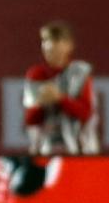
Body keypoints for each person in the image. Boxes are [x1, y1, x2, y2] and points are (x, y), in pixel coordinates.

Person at [23, 20, 99, 155]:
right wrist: (41, 103)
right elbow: (30, 119)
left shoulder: (80, 73)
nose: (50, 46)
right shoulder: (36, 74)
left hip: (80, 149)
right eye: (46, 40)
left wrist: (60, 98)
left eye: (57, 40)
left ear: (69, 45)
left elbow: (86, 113)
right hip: (45, 148)